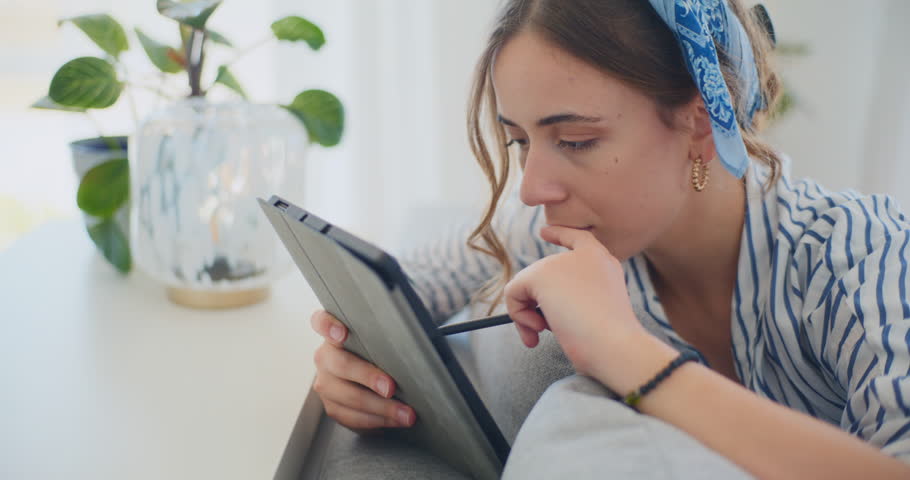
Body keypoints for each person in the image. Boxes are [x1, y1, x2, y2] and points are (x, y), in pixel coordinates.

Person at [307, 0, 910, 477]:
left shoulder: (862, 257)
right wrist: (354, 356)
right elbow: (405, 278)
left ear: (701, 120)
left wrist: (631, 356)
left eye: (575, 141)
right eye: (519, 141)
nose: (532, 188)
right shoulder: (563, 235)